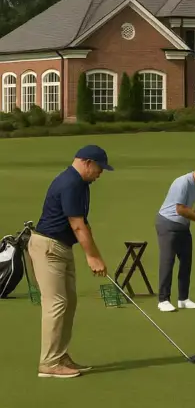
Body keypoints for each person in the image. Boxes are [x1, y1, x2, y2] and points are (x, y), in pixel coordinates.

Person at [27, 144, 113, 379]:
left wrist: (93, 253)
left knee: (69, 302)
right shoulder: (71, 183)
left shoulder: (81, 184)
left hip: (61, 248)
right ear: (86, 162)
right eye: (99, 168)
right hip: (48, 248)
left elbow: (82, 223)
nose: (100, 173)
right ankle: (49, 363)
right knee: (56, 303)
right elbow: (76, 224)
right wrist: (93, 256)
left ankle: (60, 355)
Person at [154, 160, 195, 312]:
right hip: (167, 223)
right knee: (167, 261)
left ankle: (183, 299)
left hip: (183, 226)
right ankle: (163, 300)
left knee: (186, 262)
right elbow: (181, 209)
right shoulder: (183, 182)